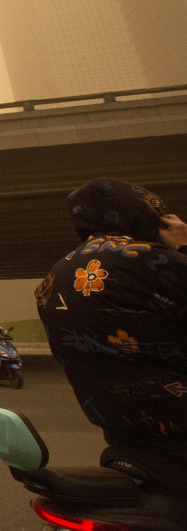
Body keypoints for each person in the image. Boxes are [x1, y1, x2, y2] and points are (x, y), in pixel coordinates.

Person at [36, 177, 187, 480]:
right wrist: (183, 244)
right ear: (140, 213)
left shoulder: (56, 275)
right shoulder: (144, 258)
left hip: (119, 428)